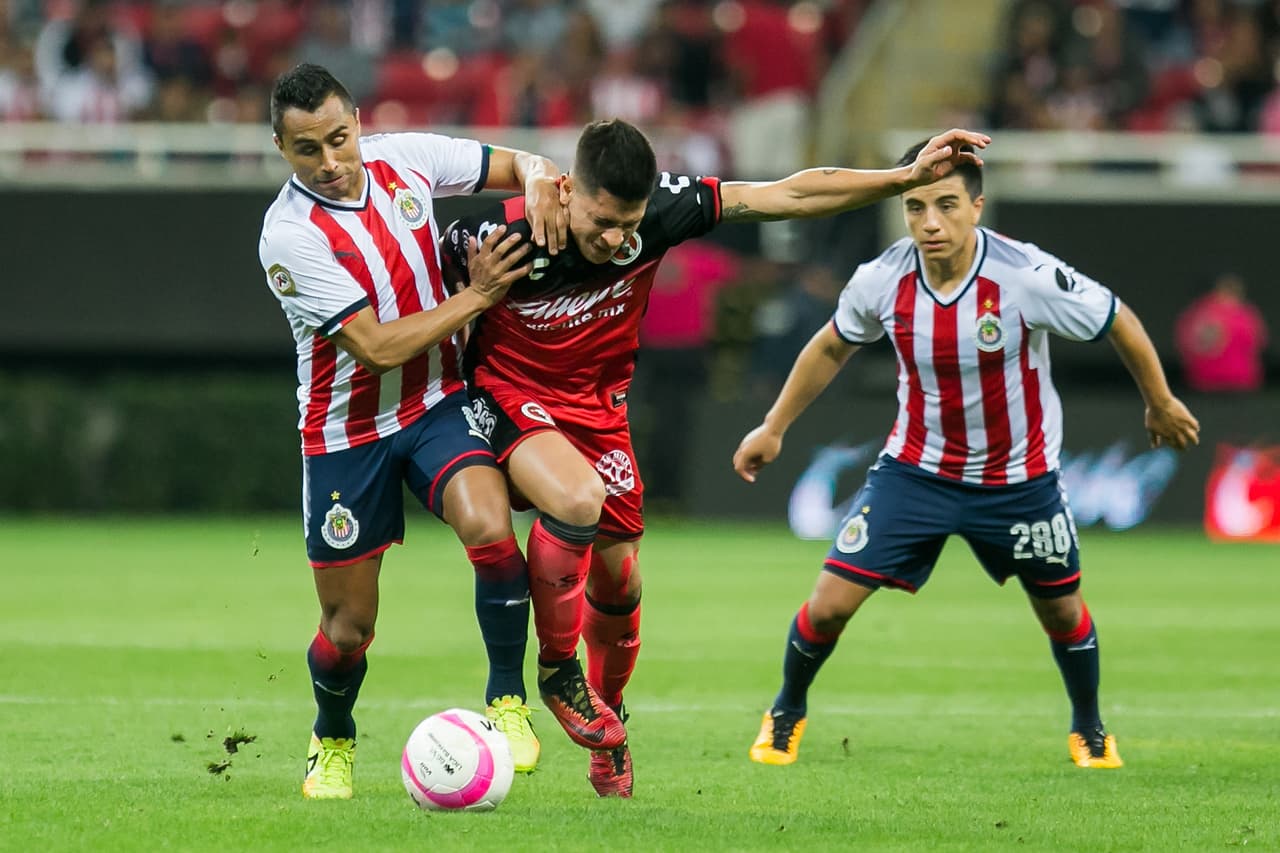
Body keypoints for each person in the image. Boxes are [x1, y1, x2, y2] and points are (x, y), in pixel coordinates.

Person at [439, 119, 992, 797]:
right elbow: (413, 280)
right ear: (567, 190)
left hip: (598, 410)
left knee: (620, 580)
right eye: (602, 220)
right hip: (510, 393)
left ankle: (610, 718)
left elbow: (787, 196)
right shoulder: (501, 236)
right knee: (577, 500)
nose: (615, 239)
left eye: (628, 224)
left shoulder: (662, 212)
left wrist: (900, 179)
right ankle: (558, 671)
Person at [732, 139, 1201, 771]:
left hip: (1019, 480)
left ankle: (1089, 727)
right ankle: (786, 711)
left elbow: (1118, 319)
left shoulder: (1026, 277)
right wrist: (773, 426)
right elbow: (830, 346)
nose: (930, 223)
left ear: (977, 206)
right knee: (828, 603)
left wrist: (1160, 401)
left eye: (947, 205)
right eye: (916, 206)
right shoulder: (881, 279)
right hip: (916, 473)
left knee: (1061, 610)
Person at [258, 62, 568, 799]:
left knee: (491, 526)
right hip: (346, 433)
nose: (330, 162)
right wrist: (483, 293)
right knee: (347, 630)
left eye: (339, 138)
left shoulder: (408, 158)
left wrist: (537, 176)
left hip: (434, 403)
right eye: (308, 150)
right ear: (281, 147)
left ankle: (506, 699)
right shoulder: (289, 236)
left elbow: (519, 159)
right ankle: (332, 736)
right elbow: (379, 346)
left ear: (359, 120)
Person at [1174, 272, 1268, 393]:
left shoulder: (1246, 313)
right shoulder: (1203, 312)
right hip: (1210, 383)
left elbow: (1259, 343)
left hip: (1238, 383)